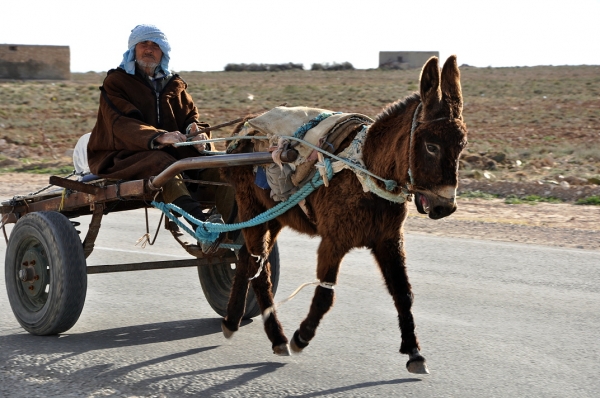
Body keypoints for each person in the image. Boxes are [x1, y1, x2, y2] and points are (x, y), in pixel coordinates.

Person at [87, 24, 222, 251]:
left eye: (155, 46)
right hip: (122, 156)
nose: (149, 49)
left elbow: (192, 117)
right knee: (164, 165)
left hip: (174, 156)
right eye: (144, 44)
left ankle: (232, 231)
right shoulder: (116, 83)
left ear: (163, 52)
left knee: (220, 167)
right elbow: (120, 124)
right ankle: (204, 229)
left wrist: (195, 132)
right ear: (133, 49)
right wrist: (159, 137)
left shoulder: (174, 85)